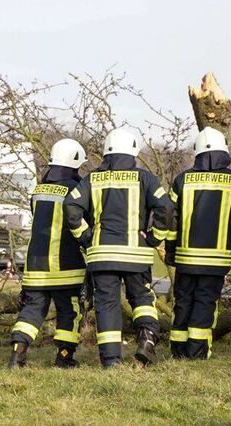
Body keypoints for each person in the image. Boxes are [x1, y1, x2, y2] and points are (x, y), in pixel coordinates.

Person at [64, 128, 173, 368]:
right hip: (136, 253)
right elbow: (165, 207)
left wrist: (86, 236)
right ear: (133, 151)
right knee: (143, 298)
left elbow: (71, 206)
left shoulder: (92, 178)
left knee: (107, 305)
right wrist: (155, 238)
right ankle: (147, 339)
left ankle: (111, 360)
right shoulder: (145, 178)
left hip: (102, 254)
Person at [164, 127, 231, 359]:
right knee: (205, 303)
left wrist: (171, 250)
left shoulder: (182, 180)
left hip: (185, 257)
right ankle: (197, 352)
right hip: (216, 259)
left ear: (198, 152)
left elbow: (170, 221)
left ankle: (178, 352)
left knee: (182, 302)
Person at [8, 138, 88, 368]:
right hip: (66, 266)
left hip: (36, 267)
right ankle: (64, 358)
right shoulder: (76, 189)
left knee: (32, 311)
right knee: (69, 311)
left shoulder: (38, 190)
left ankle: (17, 355)